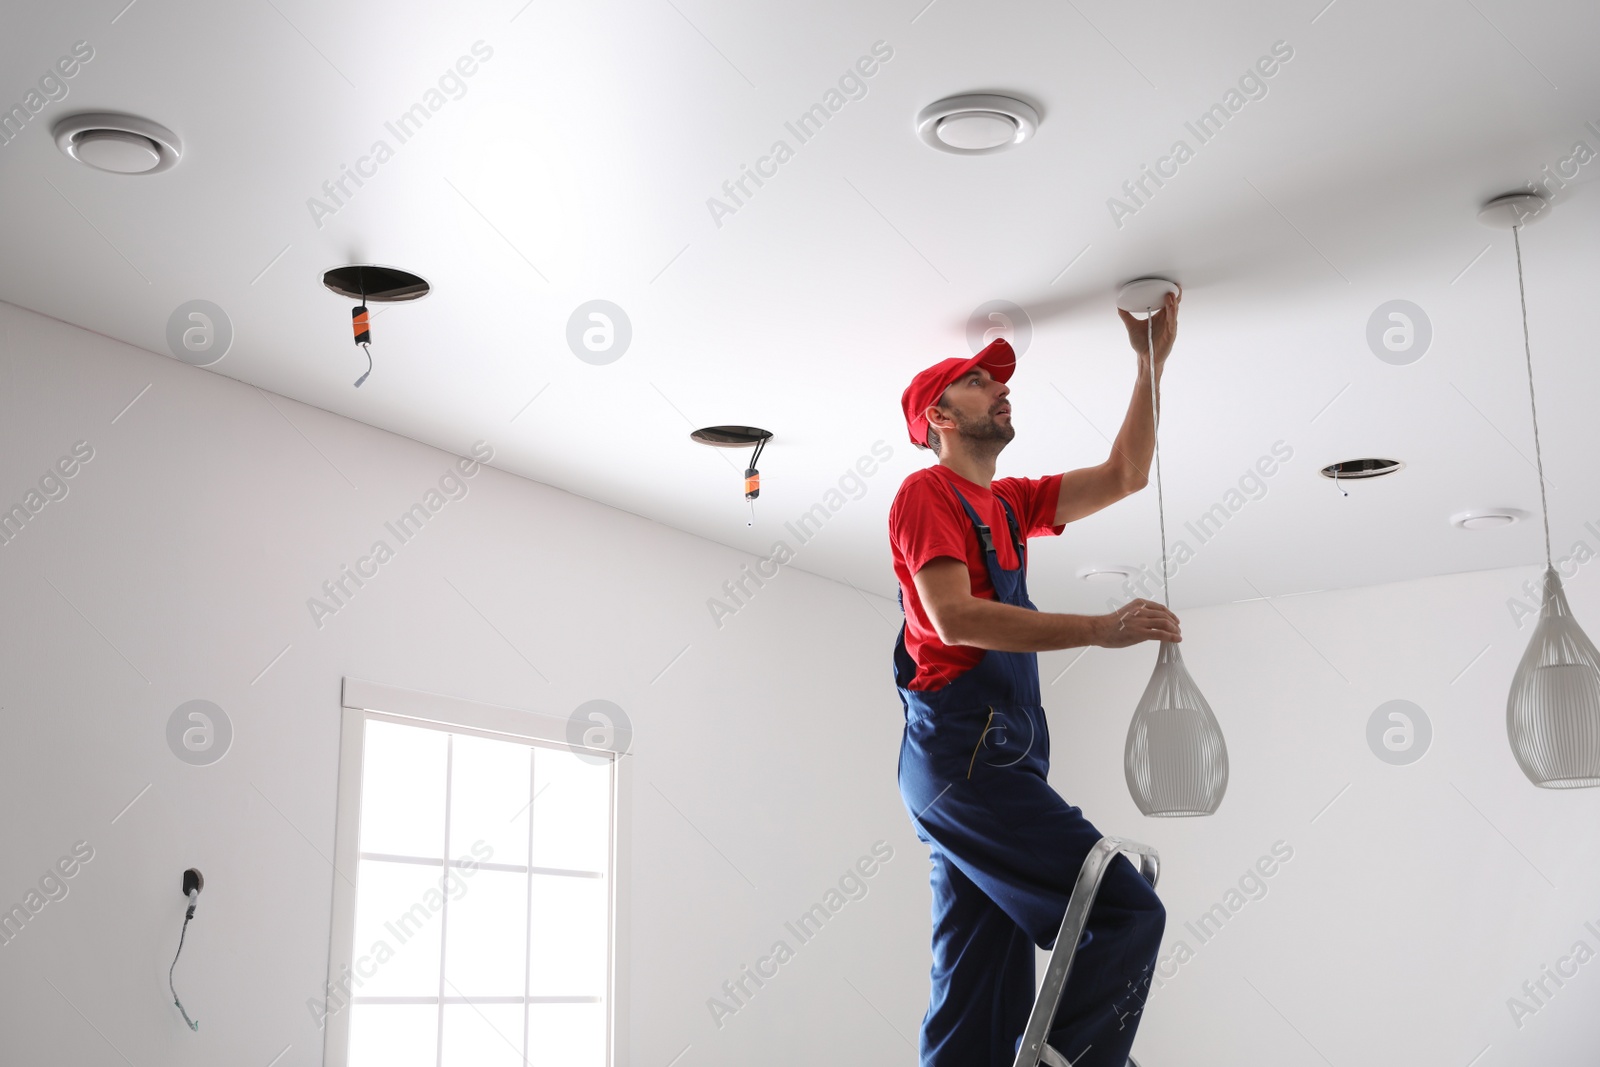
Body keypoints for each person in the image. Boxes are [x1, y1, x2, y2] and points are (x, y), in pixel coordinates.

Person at [889, 290, 1182, 1067]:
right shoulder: (927, 494)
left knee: (978, 996)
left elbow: (1125, 473)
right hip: (964, 758)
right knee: (1124, 908)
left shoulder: (1010, 505)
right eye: (979, 381)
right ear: (940, 418)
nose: (1000, 386)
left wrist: (1150, 364)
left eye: (999, 377)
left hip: (996, 760)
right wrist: (1098, 628)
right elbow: (957, 618)